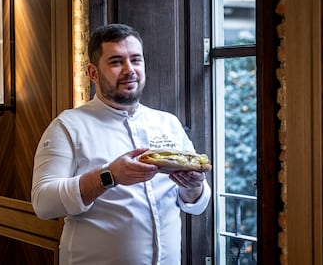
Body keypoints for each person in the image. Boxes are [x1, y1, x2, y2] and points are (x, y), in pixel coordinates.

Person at [31, 23, 211, 265]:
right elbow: (43, 203)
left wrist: (193, 187)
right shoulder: (68, 126)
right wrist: (109, 176)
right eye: (116, 62)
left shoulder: (168, 123)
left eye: (136, 60)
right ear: (93, 73)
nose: (130, 70)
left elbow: (196, 204)